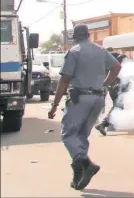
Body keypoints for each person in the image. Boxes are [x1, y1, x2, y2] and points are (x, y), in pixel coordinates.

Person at [47, 24, 121, 190]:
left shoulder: (74, 52)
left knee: (68, 134)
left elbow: (65, 80)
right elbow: (116, 67)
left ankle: (86, 164)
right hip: (97, 98)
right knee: (81, 136)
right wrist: (105, 84)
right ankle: (79, 174)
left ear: (75, 37)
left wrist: (54, 105)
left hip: (80, 98)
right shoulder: (101, 50)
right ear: (88, 35)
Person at [95, 49, 129, 136]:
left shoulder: (105, 61)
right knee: (119, 105)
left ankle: (109, 124)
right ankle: (104, 123)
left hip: (111, 84)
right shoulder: (116, 62)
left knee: (116, 105)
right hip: (115, 84)